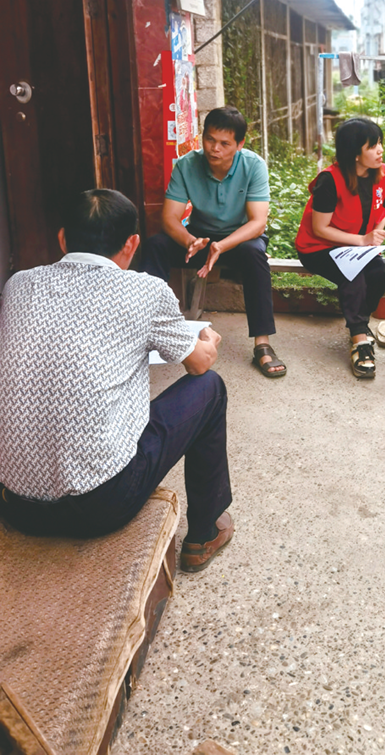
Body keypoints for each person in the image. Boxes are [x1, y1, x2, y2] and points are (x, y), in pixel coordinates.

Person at [0, 189, 234, 573]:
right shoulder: (146, 290)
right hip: (100, 507)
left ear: (62, 238)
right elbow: (198, 364)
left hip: (16, 506)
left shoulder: (18, 285)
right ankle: (204, 533)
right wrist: (207, 339)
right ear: (132, 243)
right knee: (210, 388)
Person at [141, 105, 286, 379]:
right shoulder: (186, 165)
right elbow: (169, 218)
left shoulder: (253, 166)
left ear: (239, 144)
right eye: (209, 139)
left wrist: (223, 245)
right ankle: (144, 332)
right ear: (202, 137)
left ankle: (263, 344)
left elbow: (257, 223)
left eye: (224, 143)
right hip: (200, 238)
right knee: (155, 245)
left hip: (239, 241)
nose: (214, 148)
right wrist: (190, 241)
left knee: (256, 255)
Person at [295, 118, 385, 379]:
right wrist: (362, 240)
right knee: (354, 276)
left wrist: (377, 231)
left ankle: (359, 322)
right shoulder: (330, 181)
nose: (380, 150)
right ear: (354, 153)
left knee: (379, 276)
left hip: (357, 246)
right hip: (318, 247)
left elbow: (381, 210)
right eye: (372, 146)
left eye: (380, 143)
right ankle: (360, 340)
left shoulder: (382, 172)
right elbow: (319, 229)